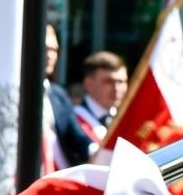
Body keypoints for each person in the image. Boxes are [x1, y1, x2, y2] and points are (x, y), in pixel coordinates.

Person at [44, 26, 88, 168]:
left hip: (57, 177)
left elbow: (77, 138)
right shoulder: (10, 94)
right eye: (45, 48)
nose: (50, 55)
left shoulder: (58, 94)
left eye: (54, 50)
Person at [70, 50, 128, 158]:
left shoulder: (127, 118)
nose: (117, 89)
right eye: (109, 82)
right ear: (88, 84)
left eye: (121, 82)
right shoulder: (73, 119)